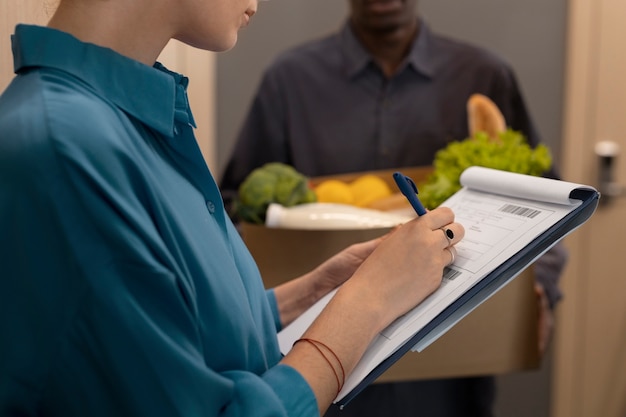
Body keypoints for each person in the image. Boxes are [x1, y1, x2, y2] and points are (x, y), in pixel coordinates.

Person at [0, 0, 467, 416]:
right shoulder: (66, 149)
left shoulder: (119, 121)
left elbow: (179, 333)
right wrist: (367, 302)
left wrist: (314, 291)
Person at [219, 0, 568, 416]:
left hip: (449, 368)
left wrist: (539, 290)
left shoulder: (484, 74)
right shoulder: (290, 79)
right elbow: (236, 209)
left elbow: (542, 199)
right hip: (327, 362)